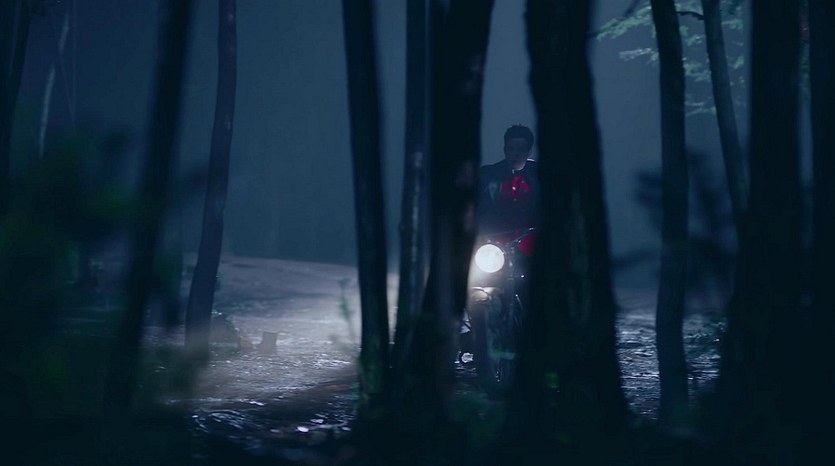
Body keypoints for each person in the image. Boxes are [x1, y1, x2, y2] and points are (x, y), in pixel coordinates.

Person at [476, 124, 539, 235]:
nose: (515, 154)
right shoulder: (488, 174)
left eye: (521, 150)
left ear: (529, 152)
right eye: (511, 149)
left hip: (530, 238)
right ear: (505, 150)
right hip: (494, 239)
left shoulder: (538, 176)